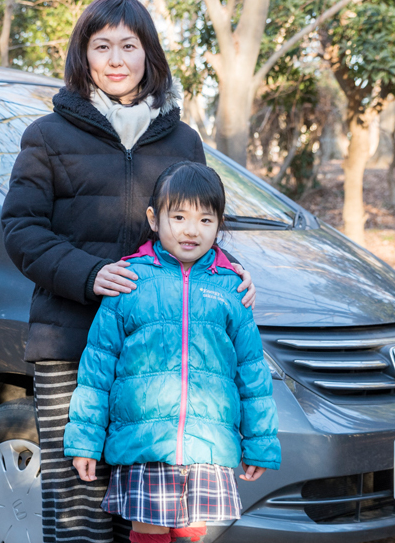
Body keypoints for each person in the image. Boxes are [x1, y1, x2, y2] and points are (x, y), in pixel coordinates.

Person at [0, 0, 257, 542]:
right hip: (69, 339)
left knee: (146, 507)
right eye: (101, 46)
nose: (116, 59)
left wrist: (230, 269)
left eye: (128, 46)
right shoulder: (47, 136)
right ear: (83, 55)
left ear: (149, 55)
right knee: (79, 503)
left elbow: (197, 222)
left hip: (158, 351)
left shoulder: (181, 139)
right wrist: (90, 274)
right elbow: (21, 231)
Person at [63, 162, 281, 543]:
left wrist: (259, 442)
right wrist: (84, 439)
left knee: (191, 532)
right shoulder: (129, 280)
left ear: (219, 225)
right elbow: (98, 367)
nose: (191, 230)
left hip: (207, 443)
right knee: (148, 533)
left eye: (205, 219)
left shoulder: (231, 288)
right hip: (146, 442)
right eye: (178, 216)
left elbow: (251, 374)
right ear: (154, 218)